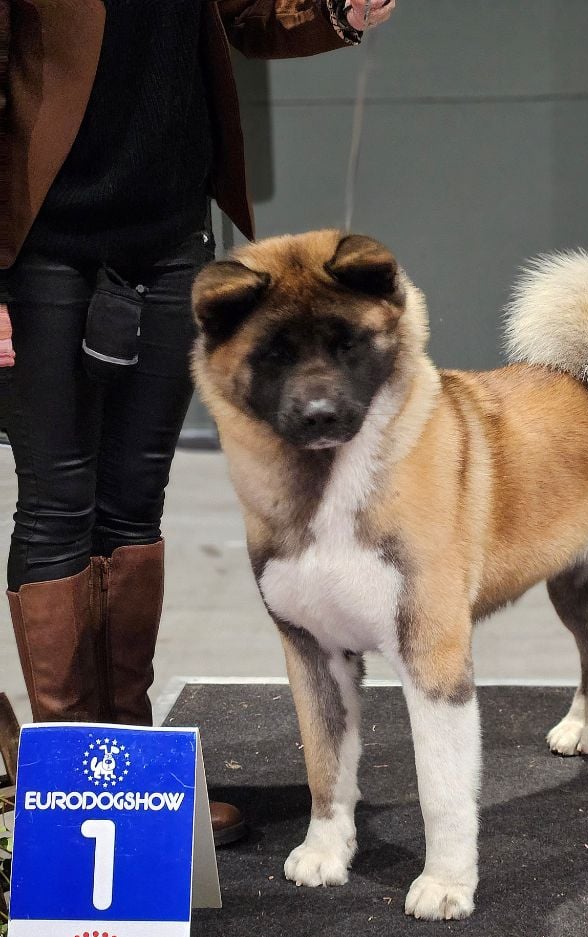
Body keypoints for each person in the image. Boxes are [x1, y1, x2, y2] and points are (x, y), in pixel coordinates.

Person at [0, 0, 395, 846]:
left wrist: (338, 13)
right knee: (59, 503)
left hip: (169, 238)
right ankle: (73, 784)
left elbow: (249, 15)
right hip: (39, 248)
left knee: (134, 504)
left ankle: (131, 772)